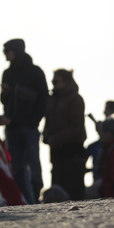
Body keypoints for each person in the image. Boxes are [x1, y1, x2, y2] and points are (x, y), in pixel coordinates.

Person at [0, 38, 48, 204]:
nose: (5, 54)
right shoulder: (7, 73)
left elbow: (43, 99)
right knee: (18, 169)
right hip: (12, 128)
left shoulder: (35, 72)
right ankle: (26, 203)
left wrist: (34, 122)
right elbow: (3, 100)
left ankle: (38, 201)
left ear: (16, 51)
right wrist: (6, 93)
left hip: (29, 128)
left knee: (34, 169)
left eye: (7, 51)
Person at [43, 69, 87, 201]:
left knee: (74, 193)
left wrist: (54, 139)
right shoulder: (52, 100)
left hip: (72, 152)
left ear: (66, 81)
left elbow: (76, 127)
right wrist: (45, 135)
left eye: (56, 81)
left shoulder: (75, 99)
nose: (53, 84)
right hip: (56, 153)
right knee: (57, 195)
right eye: (52, 81)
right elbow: (48, 120)